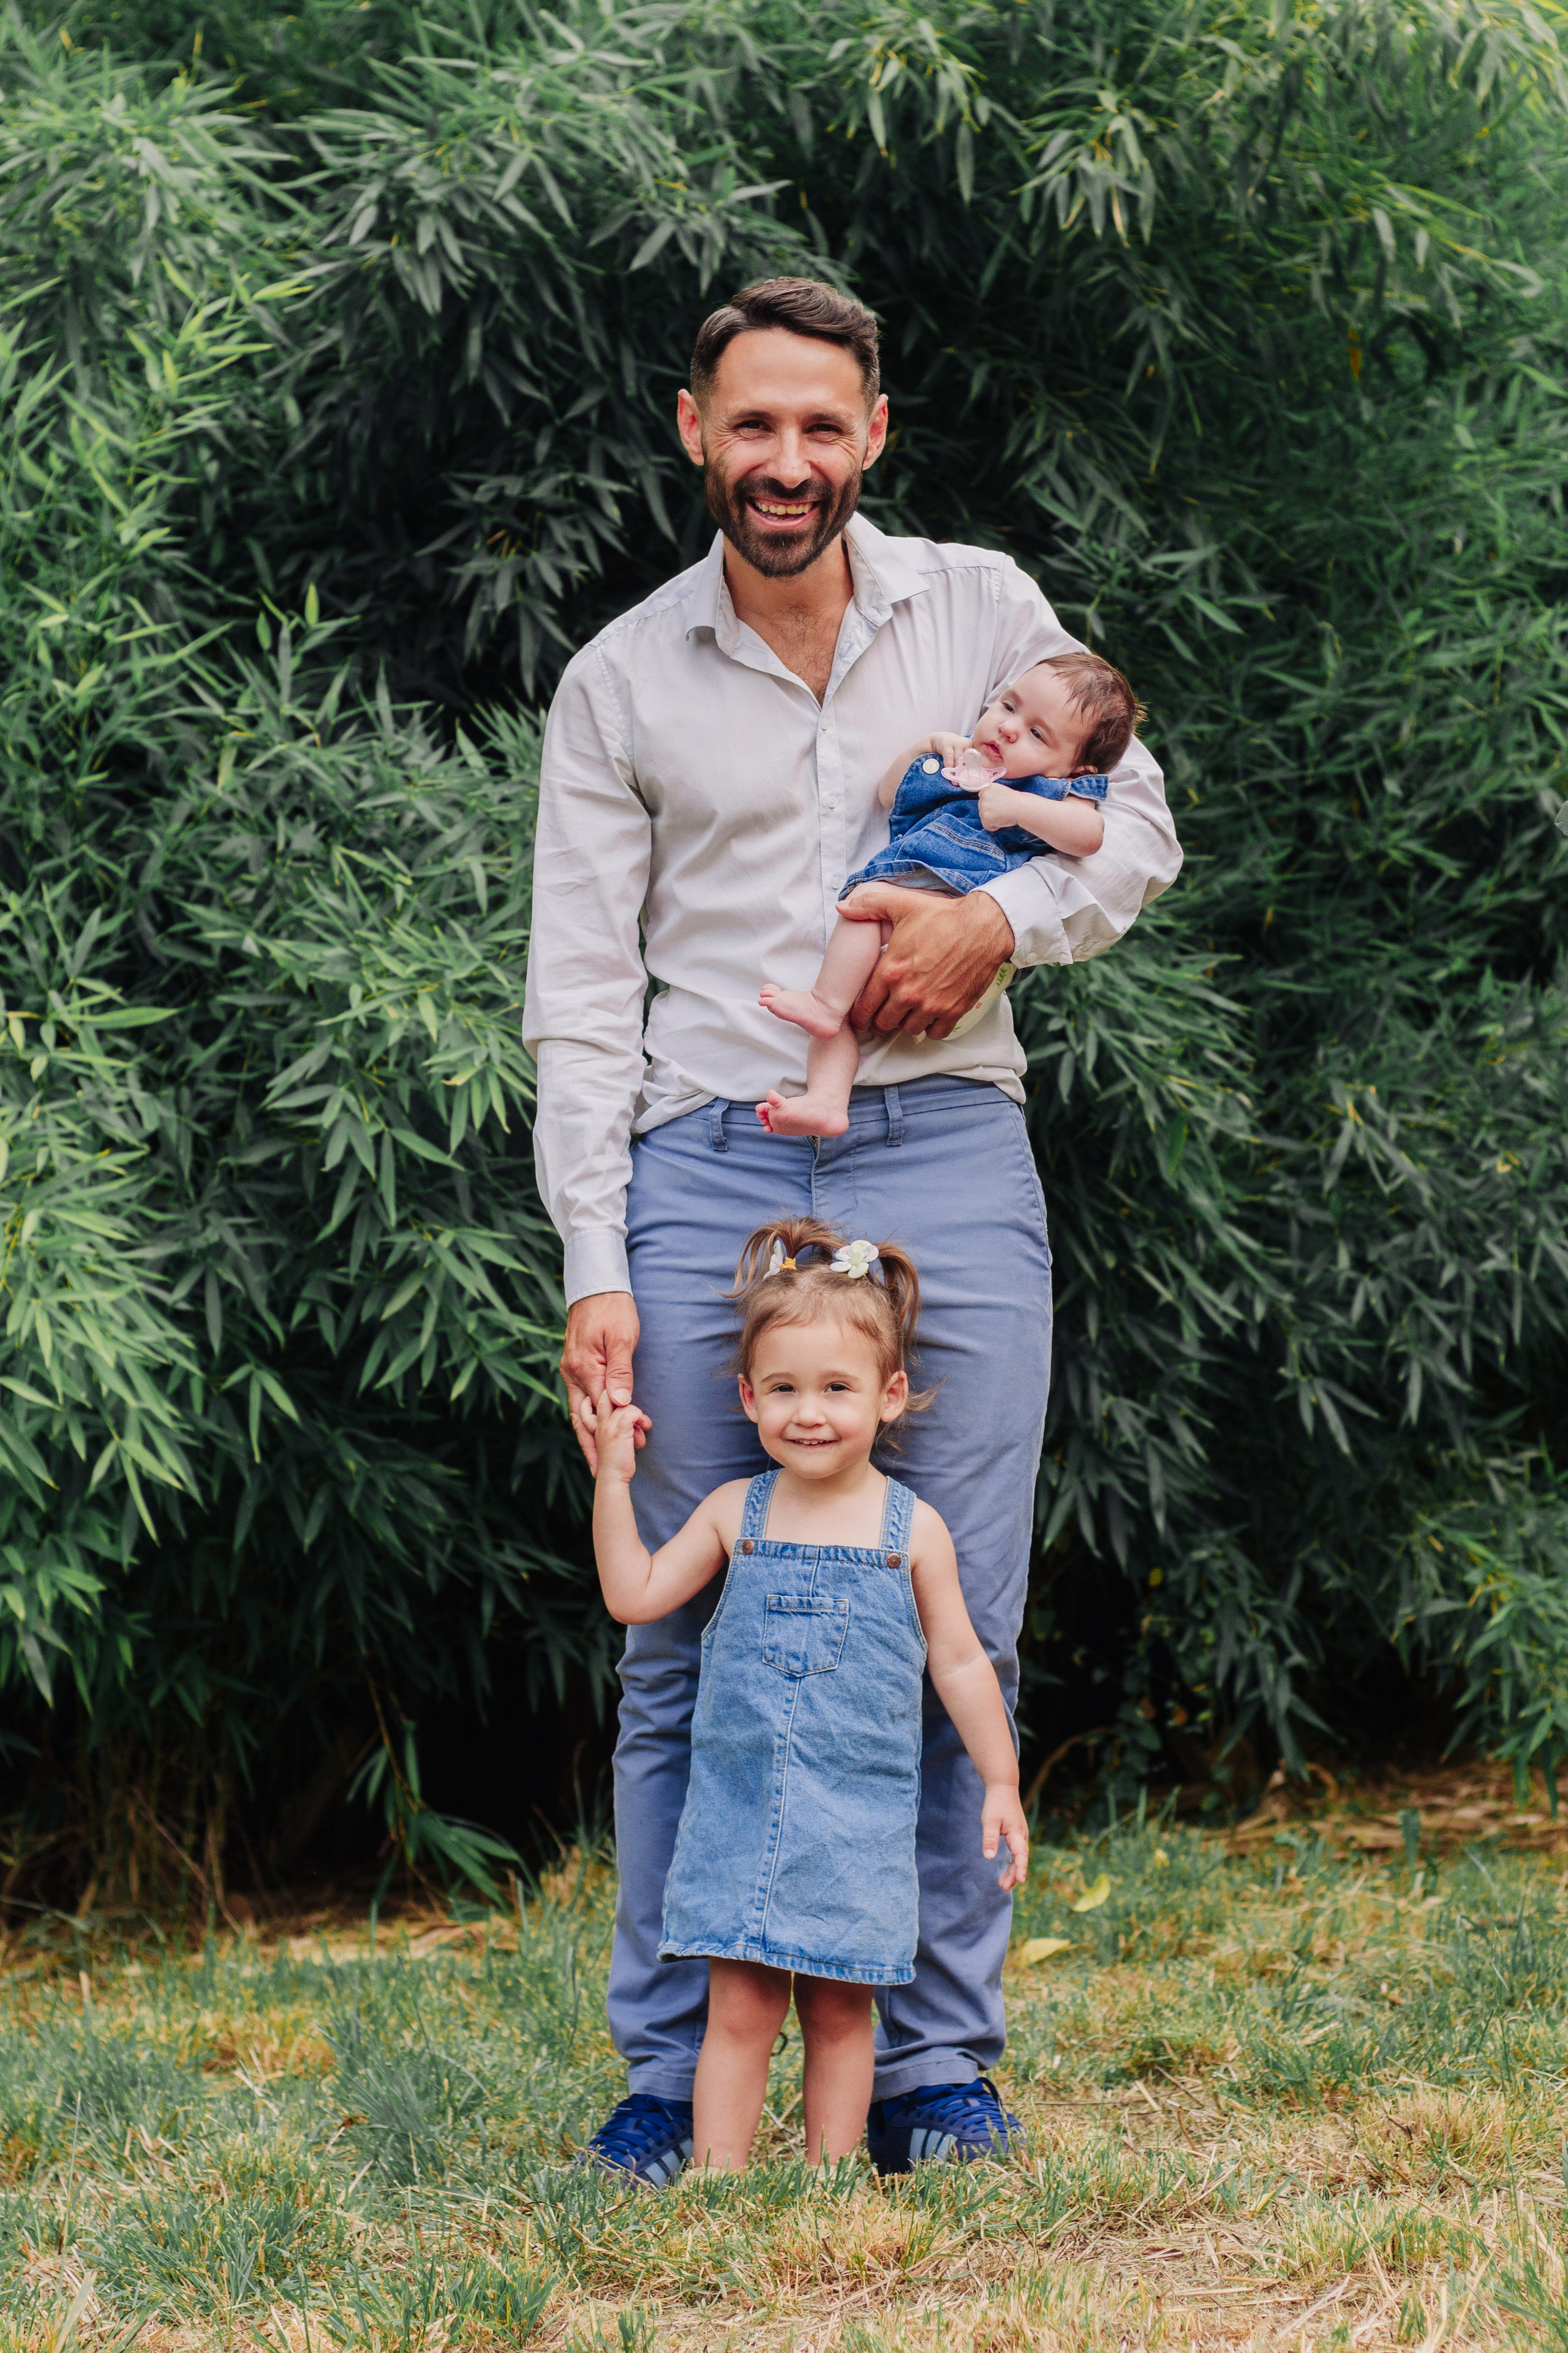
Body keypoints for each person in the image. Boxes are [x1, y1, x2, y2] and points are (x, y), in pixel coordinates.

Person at [522, 274, 1182, 2184]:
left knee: (942, 1602)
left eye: (822, 427)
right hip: (703, 1157)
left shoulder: (981, 609)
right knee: (682, 1637)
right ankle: (668, 2071)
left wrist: (1007, 926)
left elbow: (1130, 831)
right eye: (753, 427)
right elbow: (577, 998)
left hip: (943, 1145)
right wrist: (591, 1257)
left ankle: (932, 2071)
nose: (786, 462)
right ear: (693, 433)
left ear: (872, 434)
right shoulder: (618, 680)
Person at [590, 1219, 1028, 2170]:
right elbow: (635, 1595)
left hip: (856, 1825)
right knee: (739, 2012)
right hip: (740, 1818)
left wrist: (1000, 1779)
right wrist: (614, 1481)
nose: (810, 1412)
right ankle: (719, 2183)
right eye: (783, 1388)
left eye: (838, 1387)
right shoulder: (731, 1515)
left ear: (891, 1395)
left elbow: (960, 1662)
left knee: (841, 2014)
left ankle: (828, 2188)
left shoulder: (914, 1531)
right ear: (748, 1397)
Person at [756, 651, 1140, 1136]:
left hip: (959, 952)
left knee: (863, 907)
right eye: (1008, 706)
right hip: (895, 934)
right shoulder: (962, 767)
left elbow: (1088, 835)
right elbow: (890, 794)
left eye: (1037, 734)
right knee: (843, 1009)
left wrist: (1021, 807)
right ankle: (827, 1100)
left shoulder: (1056, 793)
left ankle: (823, 1001)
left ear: (1075, 770)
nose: (1008, 728)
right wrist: (926, 746)